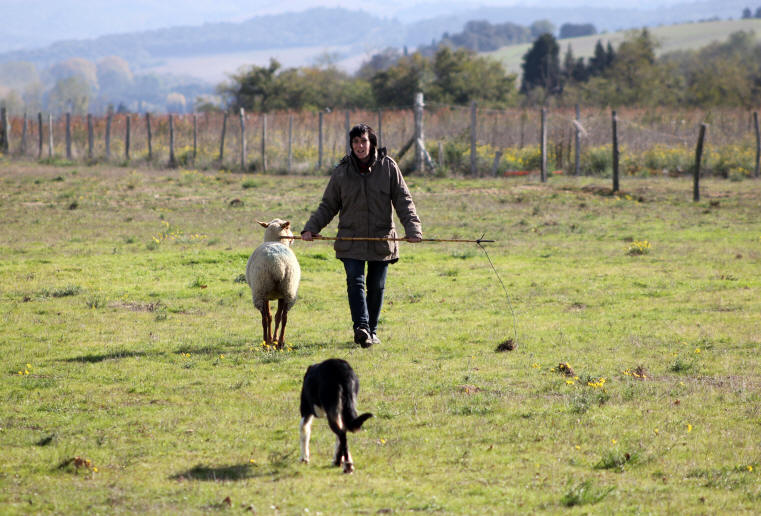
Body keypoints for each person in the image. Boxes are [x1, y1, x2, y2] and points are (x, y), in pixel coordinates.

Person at [301, 123, 422, 348]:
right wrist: (311, 228)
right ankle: (362, 328)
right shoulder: (341, 172)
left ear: (372, 142)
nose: (359, 146)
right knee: (355, 283)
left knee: (376, 286)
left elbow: (403, 200)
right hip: (351, 240)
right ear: (351, 145)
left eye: (363, 141)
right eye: (355, 142)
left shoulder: (388, 167)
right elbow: (328, 205)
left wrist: (413, 229)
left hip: (381, 239)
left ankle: (371, 330)